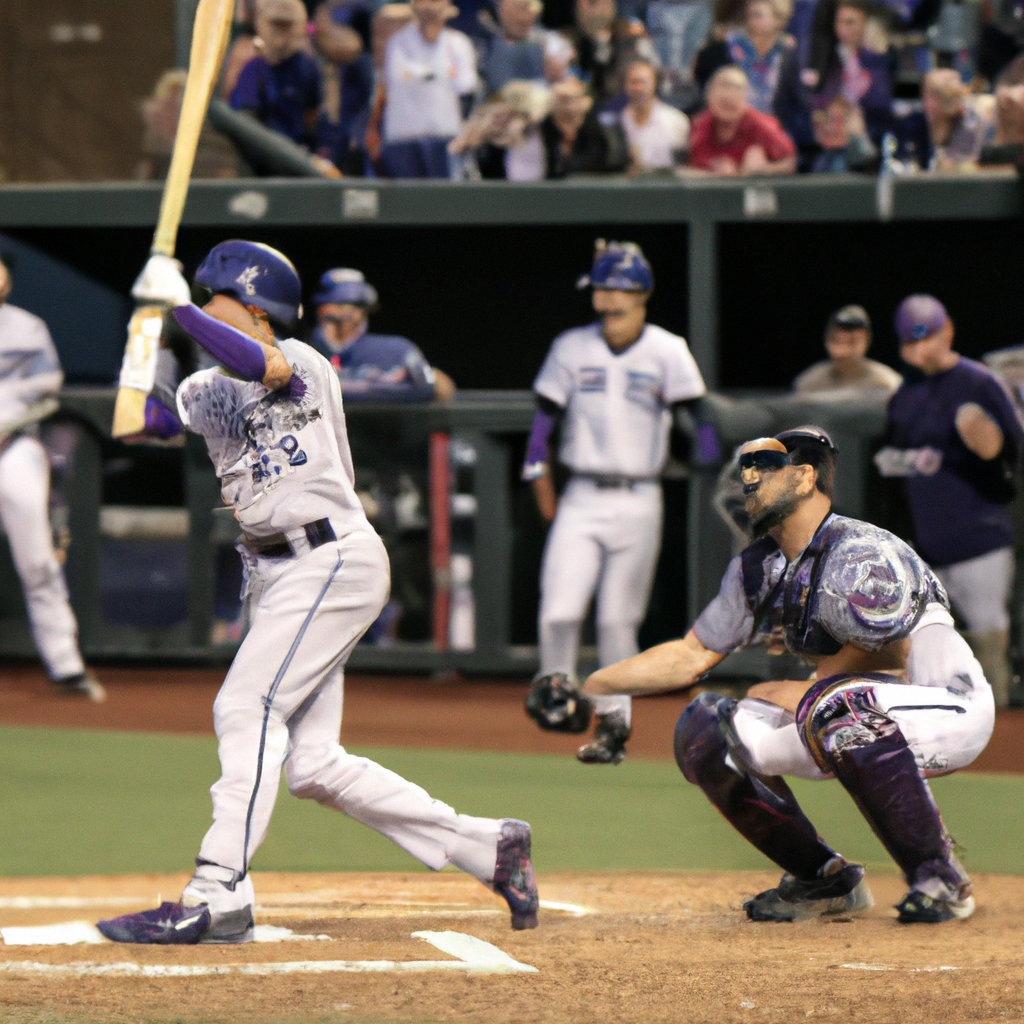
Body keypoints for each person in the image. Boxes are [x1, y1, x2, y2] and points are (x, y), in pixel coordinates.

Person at [96, 241, 538, 945]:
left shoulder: (299, 360)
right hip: (274, 575)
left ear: (253, 304)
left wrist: (176, 306)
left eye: (216, 299)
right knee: (314, 766)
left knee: (246, 707)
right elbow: (135, 419)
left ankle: (218, 891)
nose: (206, 312)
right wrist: (146, 328)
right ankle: (488, 847)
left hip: (332, 557)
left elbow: (259, 364)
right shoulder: (207, 386)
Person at [532, 426, 995, 922]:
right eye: (747, 469)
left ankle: (941, 879)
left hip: (945, 705)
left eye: (765, 469)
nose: (749, 480)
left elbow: (896, 652)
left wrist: (806, 690)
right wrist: (594, 685)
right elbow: (692, 655)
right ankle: (823, 878)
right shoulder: (761, 568)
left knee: (835, 710)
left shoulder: (860, 552)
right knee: (707, 730)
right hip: (843, 714)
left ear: (804, 477)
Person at [523, 241, 706, 764]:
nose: (609, 300)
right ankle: (556, 696)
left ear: (643, 294)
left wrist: (713, 460)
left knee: (617, 622)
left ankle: (613, 728)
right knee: (559, 611)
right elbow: (542, 424)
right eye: (602, 289)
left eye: (619, 289)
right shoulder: (572, 346)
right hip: (582, 491)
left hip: (641, 494)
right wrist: (540, 480)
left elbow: (697, 419)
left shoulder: (667, 349)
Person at [875, 295, 1023, 709]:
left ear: (948, 332)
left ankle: (1000, 746)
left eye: (927, 339)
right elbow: (891, 459)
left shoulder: (981, 383)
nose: (920, 350)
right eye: (911, 342)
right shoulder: (905, 395)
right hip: (925, 545)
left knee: (987, 637)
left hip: (980, 537)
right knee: (924, 647)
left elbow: (1012, 452)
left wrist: (986, 447)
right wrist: (900, 461)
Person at [0, 262, 104, 702]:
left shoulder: (27, 328)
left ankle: (65, 664)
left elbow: (47, 395)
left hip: (12, 449)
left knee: (39, 560)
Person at [307, 268, 456, 403]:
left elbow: (439, 386)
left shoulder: (397, 350)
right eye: (325, 307)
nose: (329, 313)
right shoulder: (303, 351)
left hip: (385, 429)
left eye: (350, 307)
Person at [379, 0, 479, 178]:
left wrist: (428, 75)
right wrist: (440, 74)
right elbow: (399, 77)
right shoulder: (398, 42)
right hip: (403, 137)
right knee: (409, 200)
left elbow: (466, 85)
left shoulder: (458, 42)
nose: (429, 7)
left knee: (445, 201)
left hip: (445, 134)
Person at [229, 0, 325, 152]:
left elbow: (311, 115)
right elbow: (246, 121)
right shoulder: (254, 68)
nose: (280, 33)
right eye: (276, 24)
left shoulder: (307, 67)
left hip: (298, 153)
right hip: (262, 155)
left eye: (286, 25)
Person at [806, 0, 894, 147]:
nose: (843, 29)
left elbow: (881, 104)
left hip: (867, 137)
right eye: (839, 22)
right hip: (828, 135)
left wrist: (872, 55)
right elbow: (814, 98)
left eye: (850, 23)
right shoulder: (825, 57)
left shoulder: (877, 59)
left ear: (866, 24)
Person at [686, 65, 796, 173]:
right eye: (724, 87)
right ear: (709, 94)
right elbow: (691, 167)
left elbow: (791, 162)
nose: (729, 95)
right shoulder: (699, 125)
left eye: (736, 89)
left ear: (747, 98)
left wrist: (762, 170)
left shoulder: (762, 125)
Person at [694, 0, 796, 115]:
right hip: (730, 117)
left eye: (757, 15)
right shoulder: (726, 46)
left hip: (769, 122)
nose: (751, 21)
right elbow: (704, 81)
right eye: (749, 15)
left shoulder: (785, 53)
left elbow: (794, 101)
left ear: (778, 20)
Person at [313, 0, 376, 175]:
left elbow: (350, 45)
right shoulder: (315, 66)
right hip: (325, 138)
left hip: (353, 139)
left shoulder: (360, 64)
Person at [561, 0, 660, 106]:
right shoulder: (567, 40)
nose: (585, 8)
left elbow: (652, 72)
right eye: (580, 4)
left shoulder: (632, 38)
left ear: (611, 6)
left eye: (592, 3)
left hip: (624, 107)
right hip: (579, 107)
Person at [793, 305, 901, 394]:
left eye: (852, 337)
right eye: (837, 332)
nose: (843, 336)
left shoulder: (886, 383)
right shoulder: (809, 382)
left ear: (866, 339)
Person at [539, 75, 631, 176]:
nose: (569, 105)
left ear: (585, 101)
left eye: (574, 98)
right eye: (563, 99)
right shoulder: (542, 130)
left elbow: (615, 161)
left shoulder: (600, 129)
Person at [620, 58, 691, 170]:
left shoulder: (676, 120)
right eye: (633, 82)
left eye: (643, 82)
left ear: (654, 84)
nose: (638, 88)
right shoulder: (619, 120)